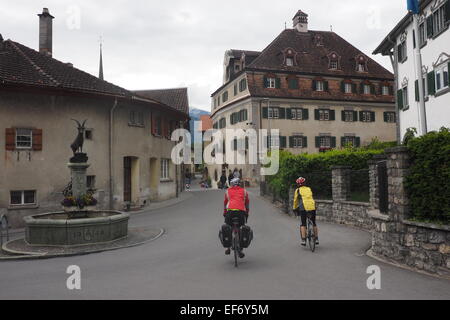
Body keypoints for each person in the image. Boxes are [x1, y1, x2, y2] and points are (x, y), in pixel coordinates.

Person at [223, 177, 249, 258]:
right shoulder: (244, 191)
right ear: (239, 183)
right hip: (241, 212)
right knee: (241, 227)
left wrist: (224, 213)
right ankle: (240, 249)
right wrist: (247, 213)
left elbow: (225, 203)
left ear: (232, 184)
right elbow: (247, 204)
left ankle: (228, 248)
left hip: (230, 212)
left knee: (228, 227)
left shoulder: (227, 191)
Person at [293, 177, 319, 246]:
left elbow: (295, 200)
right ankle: (316, 239)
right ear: (305, 183)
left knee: (303, 223)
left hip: (303, 207)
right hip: (312, 206)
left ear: (298, 184)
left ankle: (303, 240)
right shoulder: (309, 189)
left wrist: (294, 208)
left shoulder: (297, 190)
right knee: (314, 223)